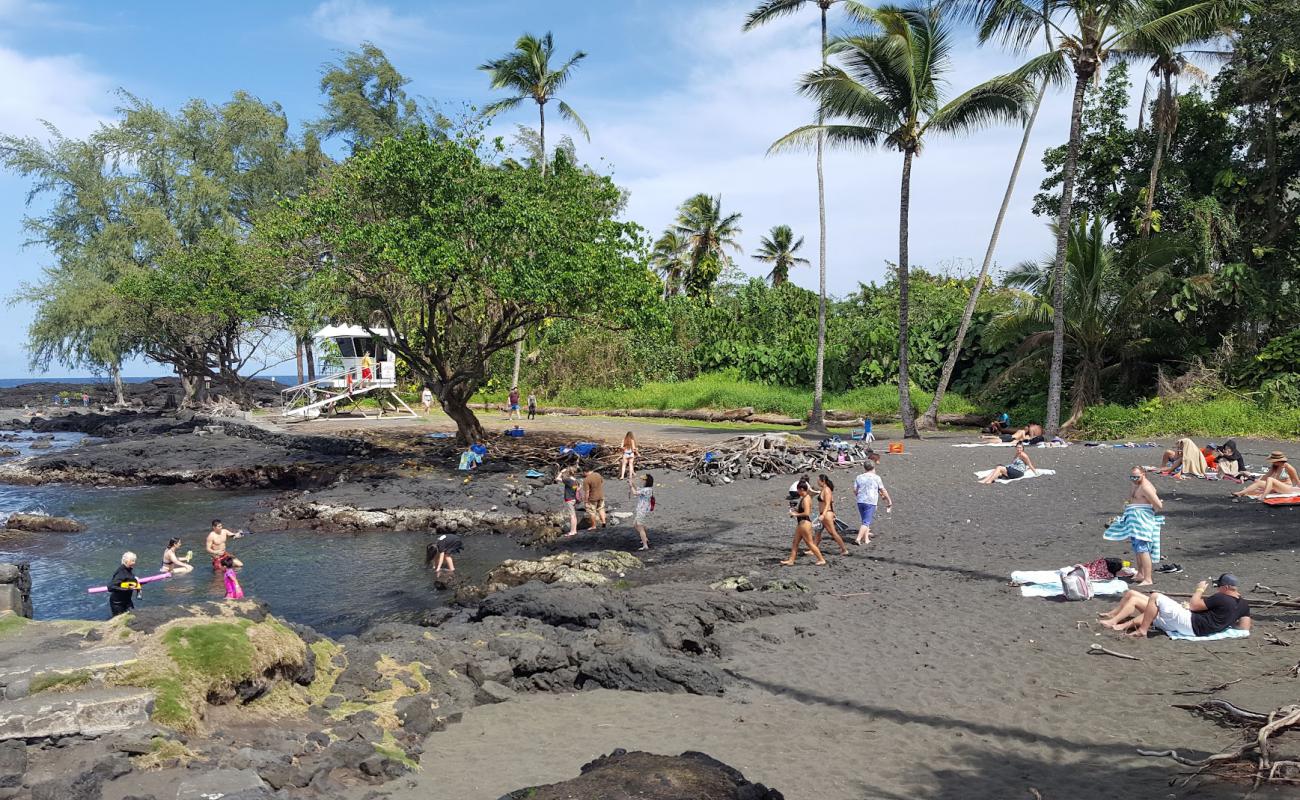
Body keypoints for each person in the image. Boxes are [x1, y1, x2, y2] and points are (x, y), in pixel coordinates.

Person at [1098, 574, 1251, 639]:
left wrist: (1199, 589)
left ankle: (1142, 630)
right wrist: (1225, 622)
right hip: (1195, 625)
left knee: (1156, 596)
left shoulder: (1221, 598)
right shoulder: (1244, 604)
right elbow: (1244, 627)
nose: (1217, 589)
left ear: (1225, 587)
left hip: (1192, 624)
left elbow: (1194, 605)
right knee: (1132, 594)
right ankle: (1114, 617)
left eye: (1219, 587)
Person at [1102, 467, 1165, 585]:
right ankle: (1141, 574)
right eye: (1132, 477)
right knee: (1137, 549)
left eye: (1136, 477)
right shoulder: (1135, 484)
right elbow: (1132, 499)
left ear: (1143, 474)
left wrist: (1147, 515)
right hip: (1134, 521)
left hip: (1142, 522)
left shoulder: (1145, 487)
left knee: (1143, 549)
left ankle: (1148, 578)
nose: (1134, 479)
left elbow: (1158, 505)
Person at [782, 480, 826, 566]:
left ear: (802, 489)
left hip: (805, 523)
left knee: (810, 543)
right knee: (795, 542)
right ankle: (791, 560)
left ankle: (821, 559)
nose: (797, 492)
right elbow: (802, 510)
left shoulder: (806, 499)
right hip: (801, 523)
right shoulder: (805, 497)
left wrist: (795, 514)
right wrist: (795, 511)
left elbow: (807, 513)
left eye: (798, 490)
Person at [853, 463, 892, 546]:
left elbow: (855, 491)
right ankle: (858, 538)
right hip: (870, 501)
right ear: (873, 467)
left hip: (860, 501)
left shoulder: (859, 477)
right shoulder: (876, 478)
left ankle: (866, 539)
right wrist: (889, 501)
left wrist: (859, 495)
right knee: (866, 522)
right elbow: (883, 490)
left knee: (865, 520)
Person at [1234, 451, 1300, 499]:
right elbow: (1267, 475)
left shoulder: (1288, 467)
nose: (1272, 462)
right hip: (1276, 487)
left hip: (1286, 488)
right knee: (1259, 483)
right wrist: (1259, 480)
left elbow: (1297, 481)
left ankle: (1263, 496)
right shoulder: (1274, 466)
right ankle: (1240, 493)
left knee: (1270, 479)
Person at [814, 474, 849, 556]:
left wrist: (824, 514)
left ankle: (844, 549)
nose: (817, 482)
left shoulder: (826, 490)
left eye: (818, 480)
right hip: (824, 514)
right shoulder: (823, 489)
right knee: (817, 532)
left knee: (832, 533)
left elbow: (827, 503)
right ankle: (813, 549)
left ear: (822, 481)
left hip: (826, 514)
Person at [108, 552, 140, 617]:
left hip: (127, 600)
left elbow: (126, 579)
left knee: (133, 616)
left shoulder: (128, 569)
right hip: (118, 603)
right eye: (133, 561)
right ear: (126, 561)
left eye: (135, 561)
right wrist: (127, 589)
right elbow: (110, 587)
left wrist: (134, 579)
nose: (134, 563)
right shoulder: (120, 572)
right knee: (119, 621)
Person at [629, 473, 654, 551]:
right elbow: (638, 490)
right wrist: (632, 483)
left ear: (647, 481)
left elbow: (635, 493)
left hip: (642, 510)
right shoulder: (647, 489)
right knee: (635, 525)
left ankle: (645, 544)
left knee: (640, 527)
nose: (642, 481)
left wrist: (630, 486)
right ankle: (645, 538)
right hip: (643, 510)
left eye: (643, 480)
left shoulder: (646, 490)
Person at [558, 467, 581, 537]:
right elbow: (579, 487)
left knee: (572, 515)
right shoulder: (575, 480)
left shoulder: (568, 480)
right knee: (574, 515)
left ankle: (572, 531)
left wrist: (561, 472)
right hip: (574, 499)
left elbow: (557, 478)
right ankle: (574, 530)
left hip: (569, 499)